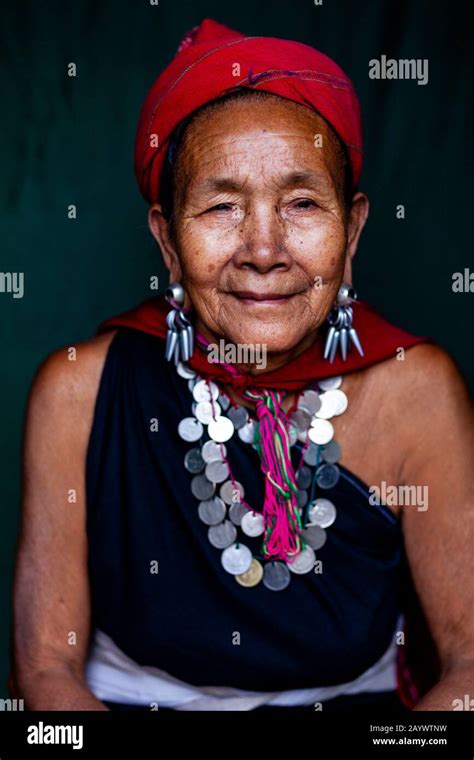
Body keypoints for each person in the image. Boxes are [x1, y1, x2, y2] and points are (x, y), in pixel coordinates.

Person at [10, 18, 474, 712]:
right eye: (222, 206)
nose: (263, 249)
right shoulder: (79, 391)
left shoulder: (418, 392)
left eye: (302, 204)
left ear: (353, 232)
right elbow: (45, 668)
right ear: (167, 240)